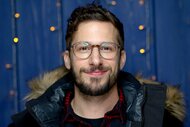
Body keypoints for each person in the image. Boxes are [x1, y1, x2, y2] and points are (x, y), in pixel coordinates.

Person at [8, 3, 185, 127]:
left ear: (121, 59)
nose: (96, 60)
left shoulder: (162, 122)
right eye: (83, 48)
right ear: (67, 59)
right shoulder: (30, 124)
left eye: (106, 48)